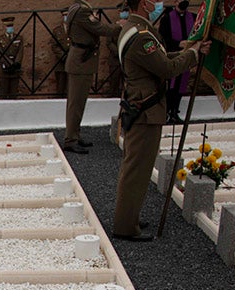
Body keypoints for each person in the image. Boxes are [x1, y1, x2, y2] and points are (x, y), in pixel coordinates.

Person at [111, 0, 208, 241]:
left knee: (137, 168)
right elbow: (166, 68)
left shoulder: (134, 29)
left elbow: (160, 58)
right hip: (146, 110)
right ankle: (125, 226)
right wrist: (194, 55)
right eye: (153, 1)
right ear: (144, 4)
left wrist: (188, 51)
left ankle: (129, 217)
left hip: (141, 106)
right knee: (137, 169)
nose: (157, 4)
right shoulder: (142, 36)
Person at [63, 0, 122, 154]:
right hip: (80, 63)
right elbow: (100, 28)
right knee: (76, 103)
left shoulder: (78, 8)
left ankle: (74, 134)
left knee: (78, 102)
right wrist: (121, 25)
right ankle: (70, 139)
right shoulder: (82, 11)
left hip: (81, 60)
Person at [159, 0, 196, 124]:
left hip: (186, 57)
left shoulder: (193, 17)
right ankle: (167, 112)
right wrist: (178, 44)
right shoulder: (167, 19)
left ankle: (175, 111)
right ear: (175, 2)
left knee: (181, 85)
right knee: (171, 85)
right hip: (172, 56)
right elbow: (162, 39)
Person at [0, 16, 24, 98]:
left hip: (15, 69)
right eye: (8, 26)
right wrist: (9, 63)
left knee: (13, 93)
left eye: (11, 26)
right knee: (3, 93)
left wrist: (16, 63)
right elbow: (0, 53)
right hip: (5, 69)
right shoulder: (0, 39)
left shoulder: (19, 38)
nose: (10, 28)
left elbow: (20, 51)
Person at [50, 11, 71, 96]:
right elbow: (54, 46)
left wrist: (71, 56)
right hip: (60, 62)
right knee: (60, 85)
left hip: (72, 61)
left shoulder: (75, 30)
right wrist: (63, 56)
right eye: (64, 15)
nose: (66, 17)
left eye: (67, 15)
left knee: (71, 86)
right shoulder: (57, 30)